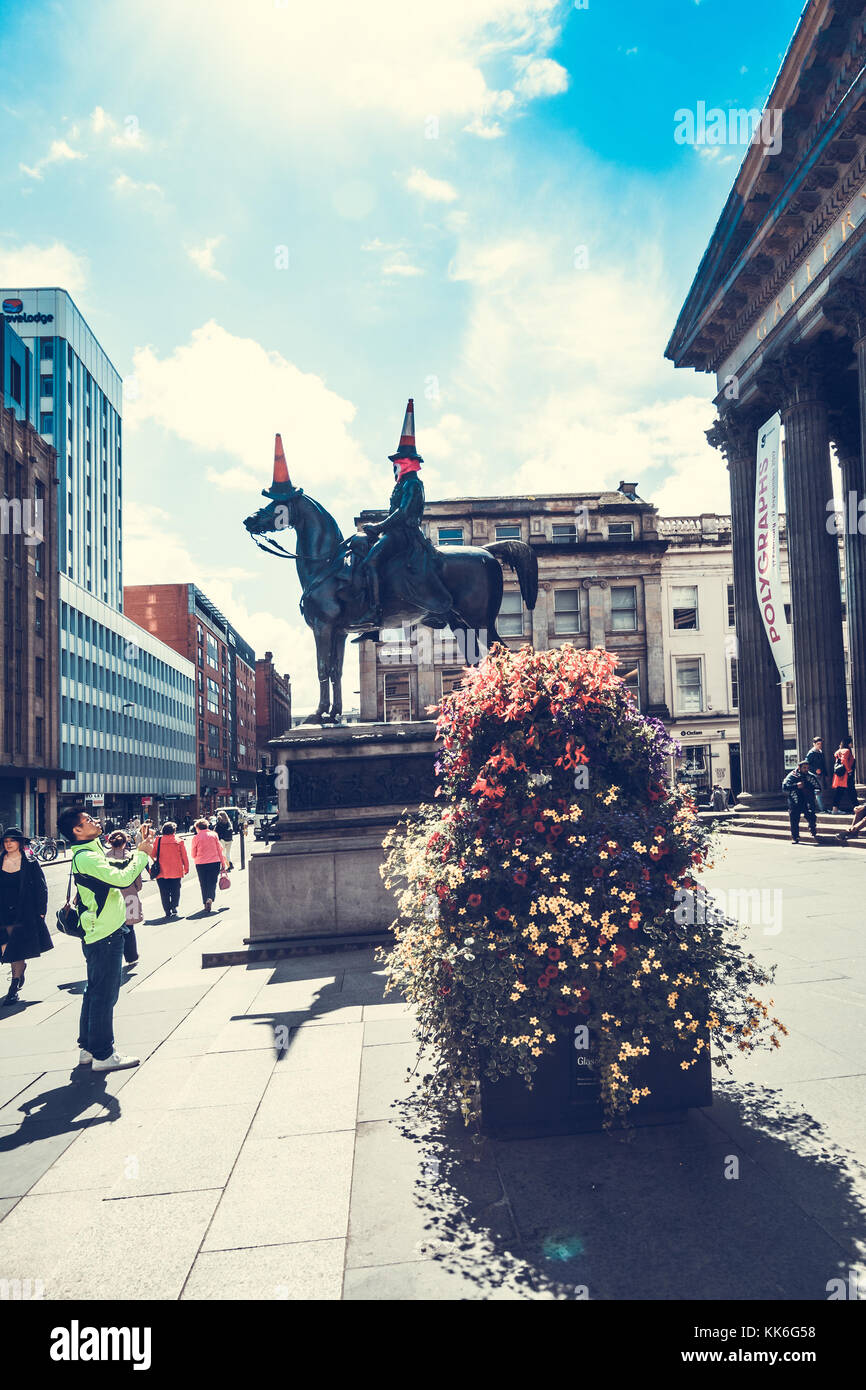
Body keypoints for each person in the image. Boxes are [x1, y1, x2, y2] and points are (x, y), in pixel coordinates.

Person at [57, 805, 155, 1072]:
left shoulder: (91, 851)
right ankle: (103, 1054)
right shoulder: (87, 857)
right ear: (77, 830)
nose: (95, 821)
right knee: (104, 995)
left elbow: (118, 865)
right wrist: (143, 856)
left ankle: (88, 1049)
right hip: (105, 934)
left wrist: (139, 848)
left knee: (94, 992)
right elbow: (123, 878)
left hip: (101, 931)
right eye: (88, 820)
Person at [356, 398, 453, 629]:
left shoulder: (412, 485)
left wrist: (378, 527)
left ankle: (374, 611)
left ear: (408, 463)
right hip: (397, 532)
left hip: (404, 534)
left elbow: (402, 513)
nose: (394, 466)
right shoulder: (403, 484)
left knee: (371, 562)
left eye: (397, 462)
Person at [0, 828, 53, 1005]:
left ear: (20, 843)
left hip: (22, 912)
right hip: (2, 912)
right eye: (6, 840)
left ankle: (13, 987)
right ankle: (19, 970)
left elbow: (41, 887)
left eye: (12, 840)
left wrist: (41, 910)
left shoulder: (30, 862)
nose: (8, 843)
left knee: (15, 949)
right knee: (5, 949)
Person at [105, 831, 142, 966]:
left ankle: (114, 957)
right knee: (129, 927)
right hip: (129, 894)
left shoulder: (104, 858)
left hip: (111, 895)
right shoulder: (130, 857)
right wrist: (136, 888)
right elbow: (136, 876)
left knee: (113, 928)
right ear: (125, 842)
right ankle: (131, 956)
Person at [151, 821, 189, 918]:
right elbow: (184, 856)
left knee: (164, 892)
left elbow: (153, 854)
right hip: (176, 870)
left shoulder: (158, 840)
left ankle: (167, 910)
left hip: (161, 871)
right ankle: (174, 906)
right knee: (176, 890)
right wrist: (186, 867)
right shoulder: (179, 841)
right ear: (174, 831)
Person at [189, 817, 228, 913]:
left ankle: (204, 901)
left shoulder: (196, 837)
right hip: (214, 862)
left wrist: (196, 856)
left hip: (200, 863)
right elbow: (219, 850)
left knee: (203, 883)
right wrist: (223, 863)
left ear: (197, 828)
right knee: (212, 882)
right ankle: (210, 898)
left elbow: (193, 853)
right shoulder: (214, 835)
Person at [782, 760, 821, 844]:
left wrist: (816, 791)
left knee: (811, 815)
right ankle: (795, 837)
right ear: (799, 768)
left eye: (807, 768)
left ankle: (812, 828)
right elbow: (785, 786)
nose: (806, 769)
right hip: (795, 800)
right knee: (794, 819)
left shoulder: (810, 776)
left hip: (807, 800)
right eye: (804, 768)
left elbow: (817, 786)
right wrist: (796, 786)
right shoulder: (792, 776)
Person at [831, 736, 856, 814]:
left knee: (839, 792)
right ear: (849, 743)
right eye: (851, 742)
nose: (852, 744)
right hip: (846, 776)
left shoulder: (839, 751)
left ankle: (834, 809)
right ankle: (857, 807)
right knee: (851, 791)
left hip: (840, 776)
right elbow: (844, 760)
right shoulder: (847, 751)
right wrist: (849, 771)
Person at [805, 736, 828, 813]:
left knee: (817, 792)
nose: (819, 745)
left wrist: (826, 774)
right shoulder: (811, 753)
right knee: (818, 792)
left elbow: (823, 764)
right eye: (818, 744)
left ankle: (816, 808)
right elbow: (806, 764)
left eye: (820, 744)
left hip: (820, 775)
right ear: (814, 744)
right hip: (813, 775)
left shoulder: (820, 752)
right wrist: (815, 770)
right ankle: (822, 809)